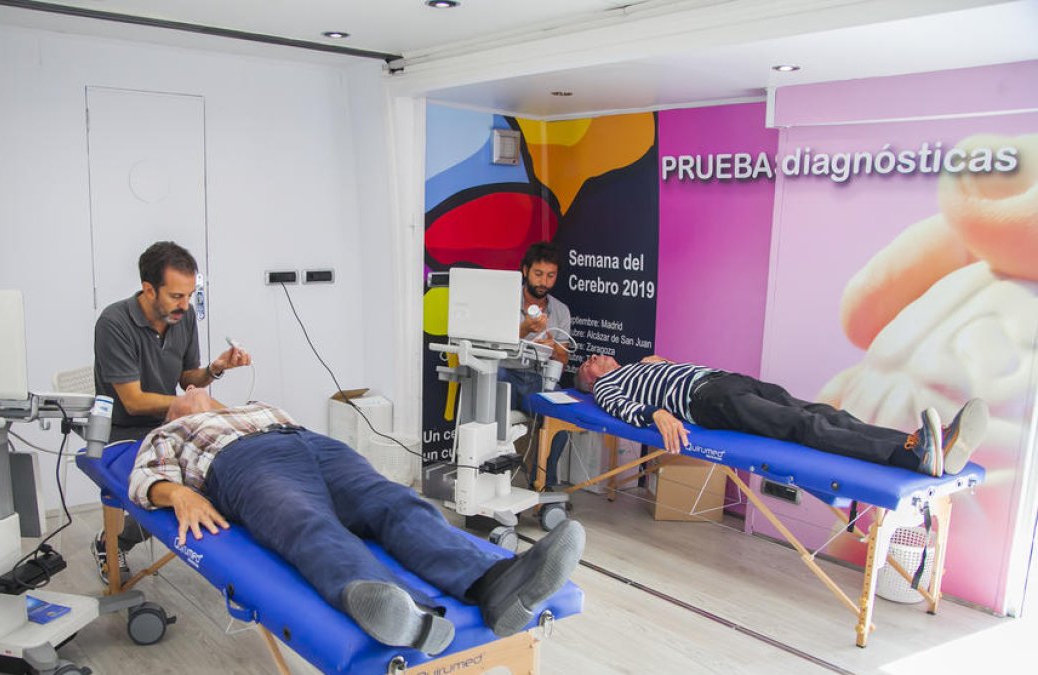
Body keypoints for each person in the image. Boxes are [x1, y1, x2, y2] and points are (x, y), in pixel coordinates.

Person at [128, 388, 586, 655]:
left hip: (311, 444)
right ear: (174, 413)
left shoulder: (254, 405)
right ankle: (406, 612)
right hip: (242, 463)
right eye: (183, 397)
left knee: (396, 503)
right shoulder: (169, 432)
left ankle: (497, 583)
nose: (192, 393)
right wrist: (179, 493)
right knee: (305, 522)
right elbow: (143, 479)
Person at [92, 241, 252, 584]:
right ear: (149, 289)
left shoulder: (184, 316)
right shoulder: (114, 323)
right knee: (164, 489)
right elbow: (133, 401)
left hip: (168, 421)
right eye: (176, 296)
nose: (185, 305)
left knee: (219, 468)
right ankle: (111, 542)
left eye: (190, 295)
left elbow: (185, 378)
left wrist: (215, 368)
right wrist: (188, 405)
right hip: (123, 429)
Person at [575, 354, 988, 477]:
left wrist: (660, 364)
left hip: (724, 380)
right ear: (589, 381)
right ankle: (909, 456)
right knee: (803, 426)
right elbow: (621, 409)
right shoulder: (609, 385)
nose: (592, 358)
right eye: (586, 365)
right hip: (709, 402)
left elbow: (670, 374)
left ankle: (921, 442)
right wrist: (658, 415)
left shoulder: (640, 364)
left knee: (824, 412)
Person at [498, 242, 572, 409]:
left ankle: (553, 435)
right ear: (525, 270)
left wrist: (551, 350)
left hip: (538, 378)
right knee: (496, 381)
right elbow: (490, 349)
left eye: (550, 276)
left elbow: (563, 361)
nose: (543, 282)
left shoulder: (561, 310)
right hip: (504, 373)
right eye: (538, 274)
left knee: (558, 410)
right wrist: (524, 330)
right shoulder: (504, 300)